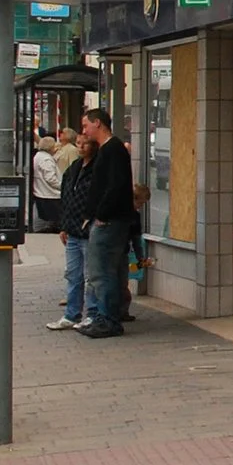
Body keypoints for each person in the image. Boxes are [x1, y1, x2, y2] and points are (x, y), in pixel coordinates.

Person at [78, 108, 140, 337]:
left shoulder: (112, 150)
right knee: (106, 271)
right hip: (110, 219)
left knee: (101, 271)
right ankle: (107, 316)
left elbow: (114, 186)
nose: (84, 131)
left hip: (110, 221)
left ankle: (108, 318)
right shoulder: (109, 150)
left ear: (98, 124)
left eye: (86, 126)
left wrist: (101, 215)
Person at [47, 131, 94, 332]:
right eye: (78, 143)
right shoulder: (74, 169)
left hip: (88, 232)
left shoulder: (96, 170)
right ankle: (71, 314)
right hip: (73, 231)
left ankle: (92, 315)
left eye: (85, 143)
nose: (81, 147)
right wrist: (64, 226)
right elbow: (66, 198)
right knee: (73, 275)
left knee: (91, 276)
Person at [31, 134, 62, 232]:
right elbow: (50, 178)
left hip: (42, 192)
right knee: (53, 219)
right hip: (50, 194)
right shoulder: (46, 159)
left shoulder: (38, 156)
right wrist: (62, 186)